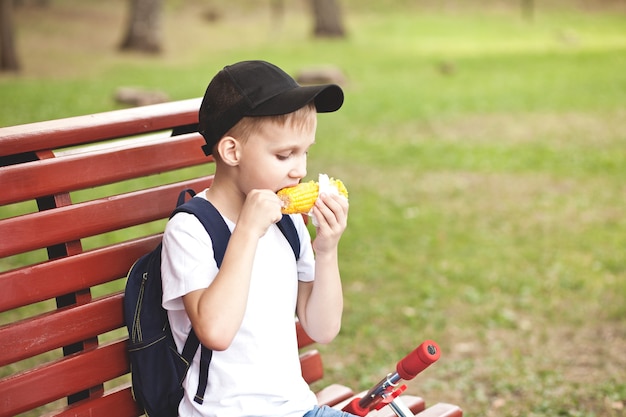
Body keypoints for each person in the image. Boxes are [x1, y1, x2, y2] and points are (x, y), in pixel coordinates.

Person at [161, 60, 353, 417]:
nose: (300, 170)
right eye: (284, 155)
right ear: (232, 152)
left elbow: (322, 328)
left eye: (305, 151)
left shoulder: (287, 224)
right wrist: (247, 232)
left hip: (298, 409)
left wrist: (326, 251)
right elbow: (215, 331)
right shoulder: (192, 230)